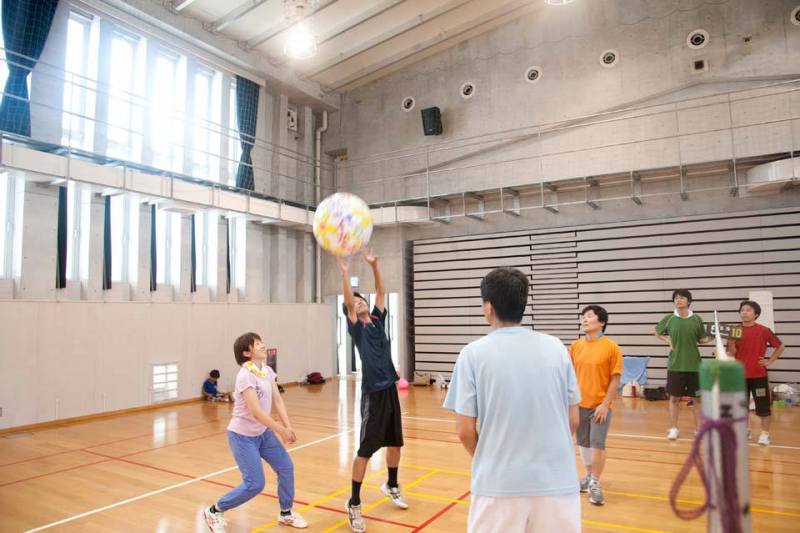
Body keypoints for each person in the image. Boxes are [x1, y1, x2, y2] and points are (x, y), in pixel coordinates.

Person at [444, 267, 581, 533]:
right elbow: (573, 420)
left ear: (488, 307)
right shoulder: (556, 348)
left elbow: (463, 431)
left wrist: (490, 457)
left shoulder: (472, 354)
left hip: (499, 485)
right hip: (558, 483)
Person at [203, 333, 307, 532]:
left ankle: (286, 513)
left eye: (261, 342)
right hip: (242, 437)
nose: (262, 345)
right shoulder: (244, 375)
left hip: (263, 433)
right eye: (257, 343)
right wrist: (281, 431)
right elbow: (257, 412)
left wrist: (288, 425)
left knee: (285, 467)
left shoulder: (267, 371)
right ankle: (215, 511)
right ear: (246, 353)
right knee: (255, 484)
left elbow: (277, 400)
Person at [337, 251, 407, 533]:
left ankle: (391, 484)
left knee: (396, 443)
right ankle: (353, 503)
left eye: (361, 298)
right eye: (355, 301)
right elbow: (347, 302)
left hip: (390, 387)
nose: (360, 301)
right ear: (351, 310)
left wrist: (375, 265)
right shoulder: (357, 329)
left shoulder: (377, 321)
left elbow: (380, 291)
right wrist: (344, 273)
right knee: (365, 450)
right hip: (373, 395)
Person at [570, 305, 622, 506]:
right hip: (579, 405)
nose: (584, 319)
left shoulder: (612, 347)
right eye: (583, 317)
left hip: (601, 406)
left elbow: (615, 379)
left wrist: (605, 404)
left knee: (597, 444)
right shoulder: (575, 346)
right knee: (583, 444)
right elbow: (570, 377)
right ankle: (589, 477)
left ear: (601, 322)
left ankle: (596, 483)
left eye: (589, 316)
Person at [655, 289, 712, 440]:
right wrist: (668, 340)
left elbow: (702, 340)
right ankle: (674, 428)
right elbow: (657, 332)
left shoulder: (697, 319)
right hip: (675, 366)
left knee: (697, 399)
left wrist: (714, 337)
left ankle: (698, 429)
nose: (678, 300)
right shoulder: (669, 318)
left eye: (682, 298)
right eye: (676, 298)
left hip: (695, 366)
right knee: (674, 399)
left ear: (688, 301)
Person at [727, 300, 785, 446]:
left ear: (756, 314)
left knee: (763, 407)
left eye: (748, 310)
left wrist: (769, 361)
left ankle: (765, 434)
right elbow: (732, 353)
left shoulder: (764, 330)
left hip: (758, 376)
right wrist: (731, 342)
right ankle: (745, 431)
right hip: (739, 377)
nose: (744, 312)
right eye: (742, 310)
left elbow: (780, 346)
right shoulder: (735, 330)